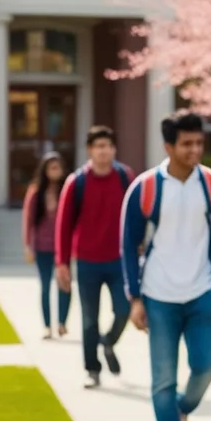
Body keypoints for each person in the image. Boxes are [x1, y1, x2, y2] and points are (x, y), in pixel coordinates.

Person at [121, 113, 211, 421]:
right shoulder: (145, 188)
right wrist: (135, 298)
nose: (195, 150)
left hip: (201, 292)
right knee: (163, 379)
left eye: (199, 143)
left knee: (206, 367)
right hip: (157, 295)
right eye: (187, 144)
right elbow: (127, 245)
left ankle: (182, 411)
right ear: (168, 146)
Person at [55, 126, 134, 387]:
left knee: (124, 310)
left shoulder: (125, 177)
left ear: (114, 149)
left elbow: (135, 217)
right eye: (98, 146)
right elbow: (64, 226)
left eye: (108, 146)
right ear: (90, 150)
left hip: (118, 260)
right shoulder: (76, 182)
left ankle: (108, 342)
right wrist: (62, 263)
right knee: (89, 318)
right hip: (87, 261)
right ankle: (92, 369)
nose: (104, 151)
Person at [23, 151, 72, 340]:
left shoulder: (67, 189)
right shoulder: (36, 192)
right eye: (51, 167)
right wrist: (27, 245)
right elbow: (27, 220)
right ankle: (46, 325)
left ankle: (62, 323)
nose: (55, 171)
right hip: (42, 246)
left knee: (65, 284)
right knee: (45, 286)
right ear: (44, 170)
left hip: (62, 247)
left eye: (57, 167)